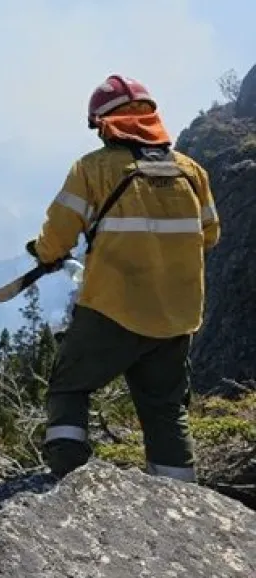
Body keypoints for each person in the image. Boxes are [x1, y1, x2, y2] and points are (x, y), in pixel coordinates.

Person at [28, 74, 220, 482]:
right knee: (165, 408)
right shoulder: (192, 172)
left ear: (103, 124)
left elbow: (58, 235)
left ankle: (67, 480)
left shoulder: (92, 168)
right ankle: (179, 495)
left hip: (110, 308)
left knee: (69, 386)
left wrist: (44, 253)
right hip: (175, 317)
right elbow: (210, 235)